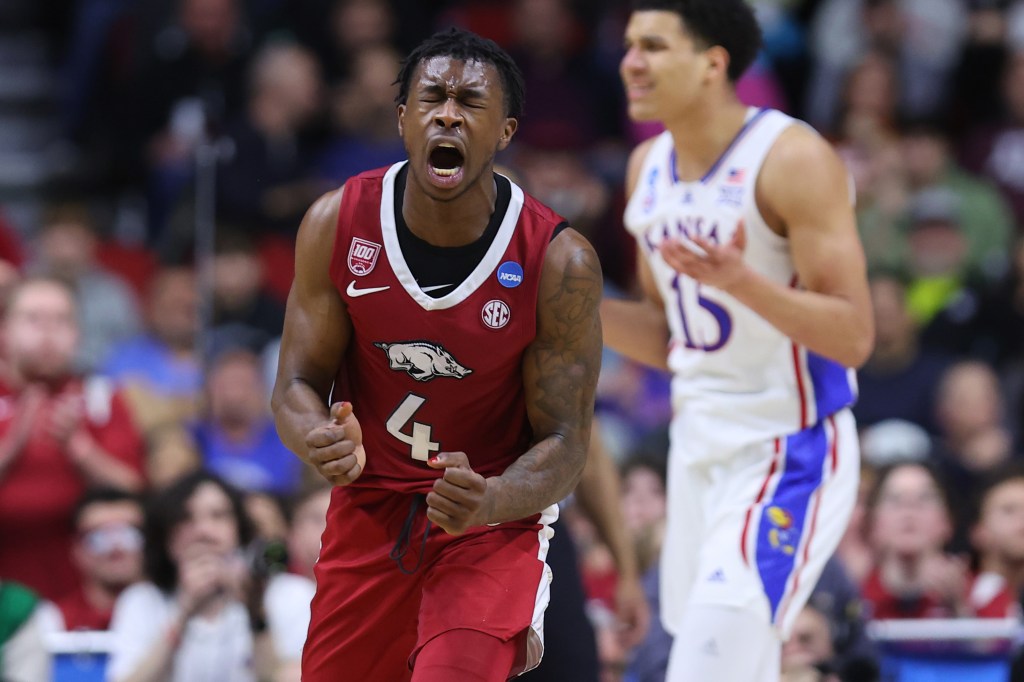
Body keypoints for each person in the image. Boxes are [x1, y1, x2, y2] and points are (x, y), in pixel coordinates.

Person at [271, 26, 602, 682]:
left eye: (471, 102)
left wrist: (496, 497)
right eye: (432, 98)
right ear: (403, 119)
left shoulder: (558, 260)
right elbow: (294, 386)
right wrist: (317, 438)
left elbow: (567, 442)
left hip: (488, 523)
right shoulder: (336, 223)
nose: (448, 112)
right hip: (372, 507)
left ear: (505, 132)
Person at [602, 3, 874, 681]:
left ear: (712, 64)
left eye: (654, 46)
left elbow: (854, 334)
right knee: (724, 664)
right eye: (630, 45)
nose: (630, 62)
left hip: (788, 447)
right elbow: (672, 338)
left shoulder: (792, 157)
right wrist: (564, 308)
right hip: (698, 449)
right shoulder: (647, 168)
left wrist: (743, 282)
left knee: (708, 666)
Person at [106, 470, 274, 682]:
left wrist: (255, 612)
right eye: (185, 518)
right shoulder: (141, 600)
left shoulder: (285, 594)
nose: (203, 530)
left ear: (239, 529)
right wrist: (183, 613)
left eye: (218, 515)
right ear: (165, 537)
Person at [55, 487, 145, 631]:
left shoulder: (174, 615)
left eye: (129, 533)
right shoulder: (55, 622)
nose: (116, 547)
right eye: (99, 537)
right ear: (76, 549)